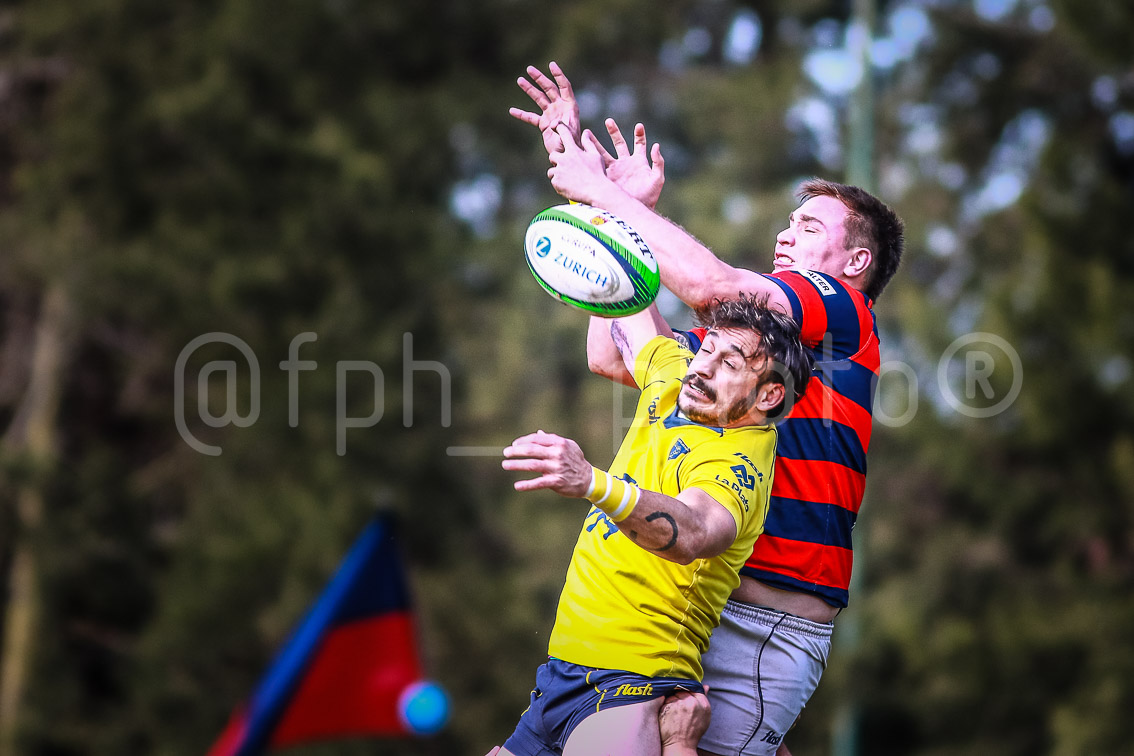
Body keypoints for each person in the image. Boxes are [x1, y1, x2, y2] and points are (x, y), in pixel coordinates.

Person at [512, 63, 905, 756]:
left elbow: (712, 283)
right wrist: (607, 213)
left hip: (768, 621)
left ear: (854, 262)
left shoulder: (842, 309)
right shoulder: (744, 354)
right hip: (706, 606)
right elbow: (615, 351)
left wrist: (598, 190)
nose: (786, 234)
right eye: (787, 220)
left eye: (808, 225)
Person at [495, 294, 811, 756]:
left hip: (631, 684)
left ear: (769, 394)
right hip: (559, 675)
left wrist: (591, 483)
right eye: (708, 348)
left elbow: (696, 532)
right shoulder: (676, 376)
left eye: (730, 362)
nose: (703, 367)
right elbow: (613, 323)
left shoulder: (739, 462)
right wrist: (614, 230)